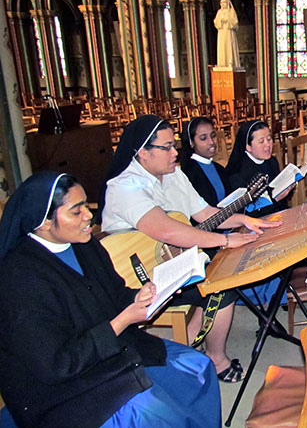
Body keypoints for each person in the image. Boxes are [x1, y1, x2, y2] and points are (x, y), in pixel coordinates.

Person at [0, 172, 221, 428]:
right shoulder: (20, 279)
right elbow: (57, 365)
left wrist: (139, 296)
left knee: (199, 367)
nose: (88, 216)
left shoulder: (85, 245)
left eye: (86, 205)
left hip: (116, 350)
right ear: (44, 223)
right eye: (76, 211)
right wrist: (122, 321)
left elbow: (115, 293)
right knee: (151, 413)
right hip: (66, 391)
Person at [100, 115, 279, 383]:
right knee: (221, 286)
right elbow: (167, 230)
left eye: (174, 145)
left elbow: (204, 213)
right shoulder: (125, 187)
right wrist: (224, 240)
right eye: (166, 147)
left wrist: (244, 220)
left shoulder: (173, 174)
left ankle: (189, 349)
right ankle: (212, 358)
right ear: (143, 153)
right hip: (135, 278)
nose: (175, 153)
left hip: (170, 263)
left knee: (223, 274)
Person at [226, 120, 294, 305]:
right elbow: (245, 212)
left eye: (269, 139)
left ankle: (287, 282)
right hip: (250, 224)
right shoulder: (237, 173)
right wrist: (275, 199)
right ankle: (275, 293)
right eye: (261, 141)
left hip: (274, 213)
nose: (268, 145)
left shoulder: (271, 161)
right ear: (248, 146)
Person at [180, 116, 231, 208]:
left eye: (213, 136)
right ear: (191, 142)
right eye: (203, 138)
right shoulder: (189, 173)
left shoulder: (219, 168)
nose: (211, 142)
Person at [214, 0, 241, 68]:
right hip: (222, 32)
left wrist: (227, 20)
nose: (223, 4)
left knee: (229, 47)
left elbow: (235, 22)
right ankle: (222, 63)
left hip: (229, 32)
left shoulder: (231, 12)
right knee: (222, 47)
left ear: (228, 3)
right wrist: (220, 21)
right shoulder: (219, 12)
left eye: (224, 3)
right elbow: (216, 22)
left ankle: (230, 62)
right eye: (221, 3)